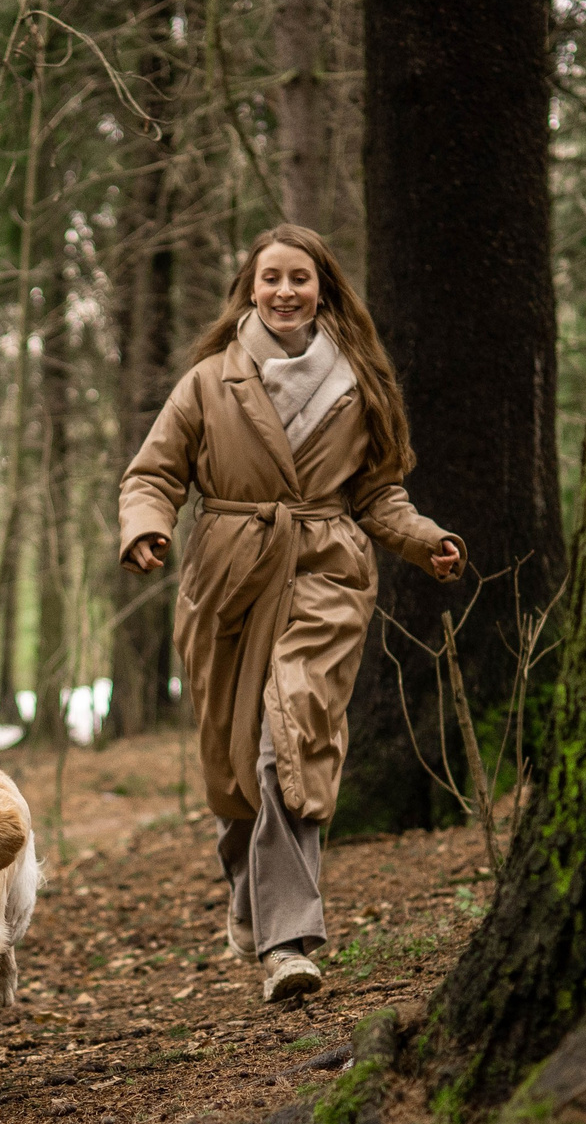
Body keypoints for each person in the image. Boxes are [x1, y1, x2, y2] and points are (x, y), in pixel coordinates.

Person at [117, 224, 464, 1003]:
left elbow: (379, 494)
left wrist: (423, 538)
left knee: (291, 741)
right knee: (234, 762)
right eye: (269, 277)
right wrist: (146, 526)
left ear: (323, 288)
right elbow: (154, 472)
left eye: (299, 278)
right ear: (249, 288)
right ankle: (250, 898)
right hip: (228, 580)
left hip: (324, 573)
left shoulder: (361, 381)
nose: (283, 291)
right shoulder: (209, 381)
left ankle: (289, 941)